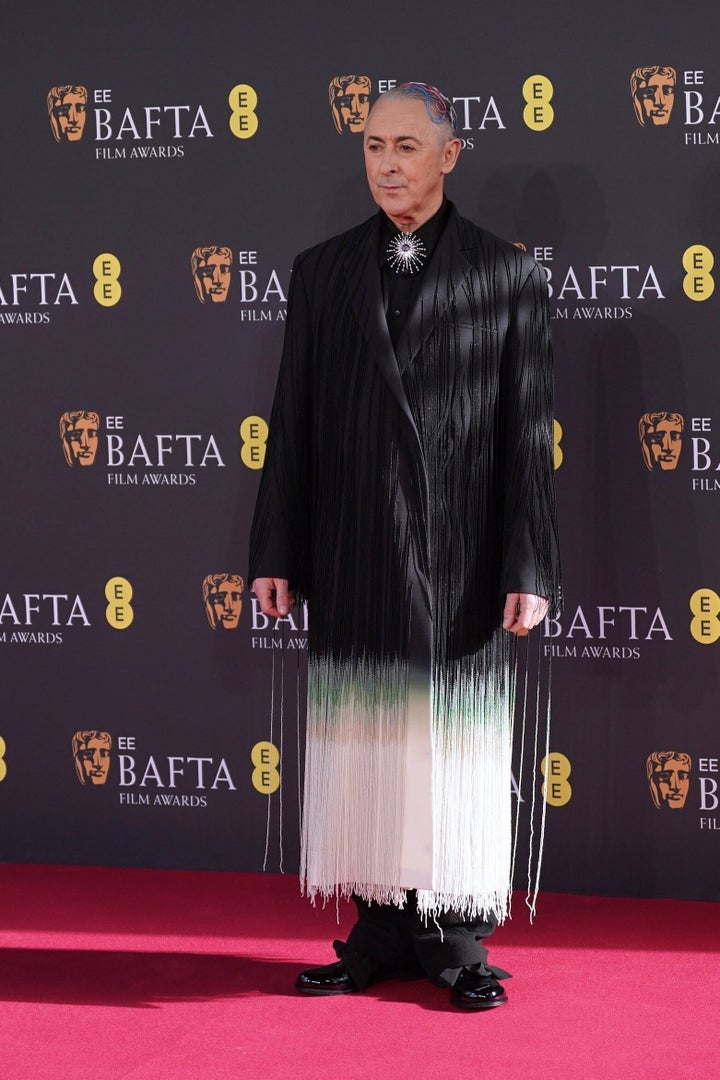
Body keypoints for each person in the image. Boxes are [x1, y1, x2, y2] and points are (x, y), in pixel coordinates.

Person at [249, 82, 561, 1010]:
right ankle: (380, 927)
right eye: (374, 146)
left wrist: (530, 564)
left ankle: (457, 933)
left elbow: (528, 437)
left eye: (408, 147)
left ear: (450, 153)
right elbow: (292, 424)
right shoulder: (322, 271)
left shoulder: (507, 274)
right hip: (355, 552)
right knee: (367, 743)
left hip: (463, 559)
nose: (388, 164)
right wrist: (276, 551)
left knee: (452, 746)